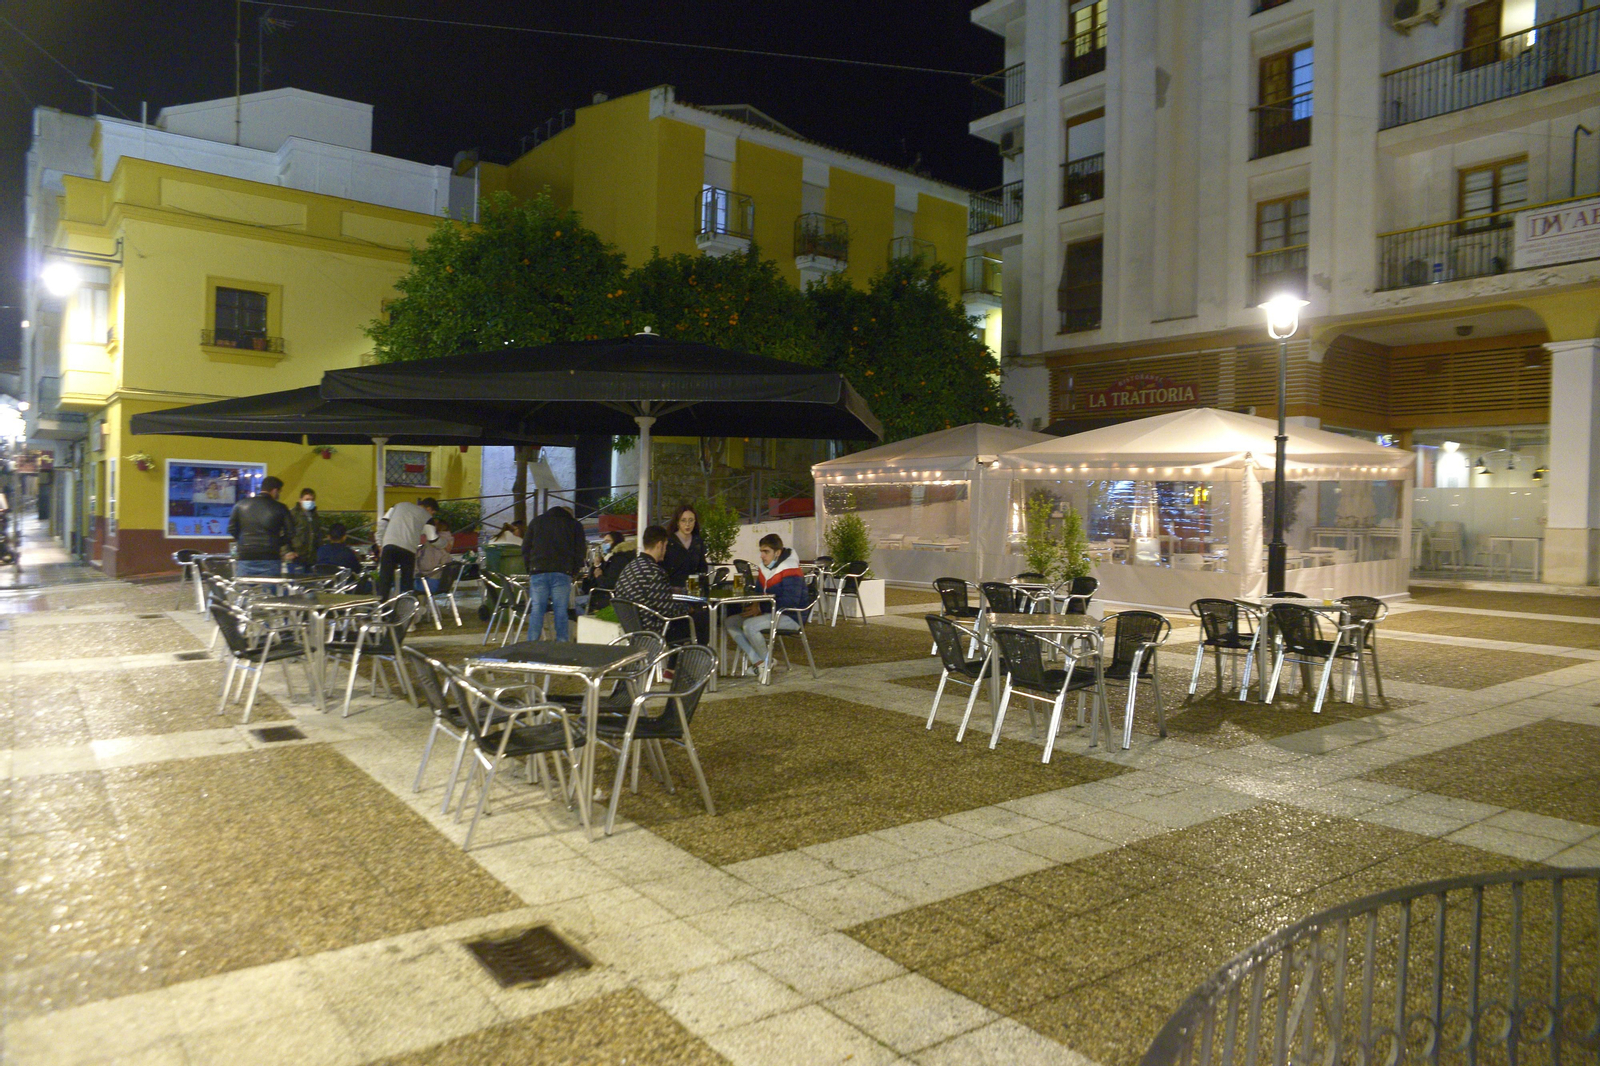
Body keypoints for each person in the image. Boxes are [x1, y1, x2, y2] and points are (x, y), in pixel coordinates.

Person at [727, 533, 808, 676]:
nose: (762, 556)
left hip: (792, 616)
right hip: (769, 612)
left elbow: (791, 601)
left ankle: (766, 663)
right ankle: (760, 662)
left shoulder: (791, 568)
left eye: (766, 552)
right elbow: (759, 592)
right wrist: (755, 605)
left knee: (749, 626)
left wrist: (760, 607)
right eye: (761, 551)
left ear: (777, 553)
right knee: (730, 622)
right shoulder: (765, 567)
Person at [613, 524, 696, 640]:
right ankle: (701, 655)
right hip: (655, 631)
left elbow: (651, 593)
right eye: (666, 546)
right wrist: (690, 608)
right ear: (660, 545)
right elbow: (669, 610)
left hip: (634, 631)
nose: (666, 550)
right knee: (699, 618)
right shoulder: (654, 571)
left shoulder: (630, 567)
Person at [522, 504, 586, 641]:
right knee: (561, 609)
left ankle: (532, 642)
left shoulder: (537, 521)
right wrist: (573, 571)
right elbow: (580, 550)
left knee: (537, 609)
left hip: (538, 570)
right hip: (563, 572)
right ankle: (561, 643)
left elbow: (526, 547)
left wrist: (530, 567)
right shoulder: (574, 525)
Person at [227, 475, 296, 578]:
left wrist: (243, 540)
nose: (279, 495)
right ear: (274, 490)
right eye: (279, 492)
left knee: (244, 591)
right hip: (270, 556)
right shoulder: (280, 507)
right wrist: (276, 542)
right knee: (271, 591)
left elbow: (231, 529)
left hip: (246, 555)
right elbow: (291, 532)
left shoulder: (240, 505)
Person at [374, 496, 437, 601]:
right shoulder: (427, 517)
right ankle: (406, 609)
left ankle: (381, 612)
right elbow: (433, 538)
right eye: (433, 513)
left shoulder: (399, 505)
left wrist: (380, 543)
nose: (432, 515)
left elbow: (382, 523)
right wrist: (444, 543)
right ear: (429, 509)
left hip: (389, 545)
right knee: (407, 583)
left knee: (385, 581)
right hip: (408, 550)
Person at [662, 503, 707, 587]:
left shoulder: (697, 542)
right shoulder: (669, 541)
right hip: (673, 589)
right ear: (677, 522)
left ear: (695, 522)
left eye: (691, 520)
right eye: (683, 520)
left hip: (693, 588)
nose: (687, 524)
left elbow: (702, 568)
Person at [287, 488, 324, 574]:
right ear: (300, 500)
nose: (310, 502)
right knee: (296, 585)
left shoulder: (315, 516)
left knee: (309, 585)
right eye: (307, 499)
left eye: (312, 500)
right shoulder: (293, 514)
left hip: (311, 559)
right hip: (296, 558)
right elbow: (284, 533)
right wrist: (288, 552)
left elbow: (319, 534)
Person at [415, 518, 455, 594]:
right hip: (442, 582)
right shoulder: (448, 541)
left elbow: (427, 565)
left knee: (402, 585)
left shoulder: (433, 545)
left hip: (430, 582)